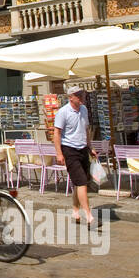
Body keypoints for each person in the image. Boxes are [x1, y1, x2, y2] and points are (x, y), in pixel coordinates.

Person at [54, 87, 94, 227]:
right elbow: (57, 134)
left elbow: (86, 130)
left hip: (82, 148)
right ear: (71, 97)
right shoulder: (63, 112)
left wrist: (90, 147)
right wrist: (59, 153)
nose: (81, 97)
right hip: (69, 149)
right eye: (78, 95)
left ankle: (75, 210)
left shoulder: (84, 110)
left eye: (82, 94)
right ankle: (88, 215)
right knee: (82, 182)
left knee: (79, 183)